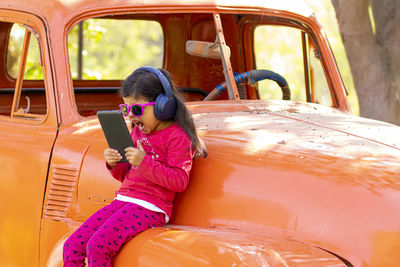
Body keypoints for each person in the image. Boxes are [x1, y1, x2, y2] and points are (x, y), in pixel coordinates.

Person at [63, 66, 207, 266]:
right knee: (73, 245)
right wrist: (114, 163)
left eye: (137, 109)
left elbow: (179, 181)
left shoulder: (178, 137)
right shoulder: (138, 132)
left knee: (97, 246)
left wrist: (143, 161)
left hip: (150, 208)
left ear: (162, 106)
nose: (131, 115)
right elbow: (125, 175)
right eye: (126, 109)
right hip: (123, 200)